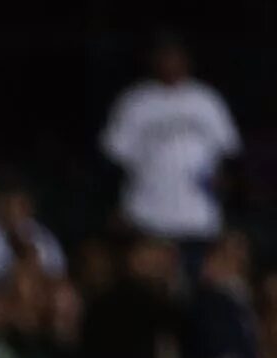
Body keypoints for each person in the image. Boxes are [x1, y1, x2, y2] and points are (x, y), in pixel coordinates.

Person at [101, 37, 238, 243]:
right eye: (165, 56)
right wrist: (117, 206)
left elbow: (228, 153)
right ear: (153, 60)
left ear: (187, 60)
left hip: (199, 216)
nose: (170, 62)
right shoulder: (135, 100)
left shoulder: (206, 99)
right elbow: (114, 158)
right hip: (147, 214)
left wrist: (222, 184)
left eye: (175, 56)